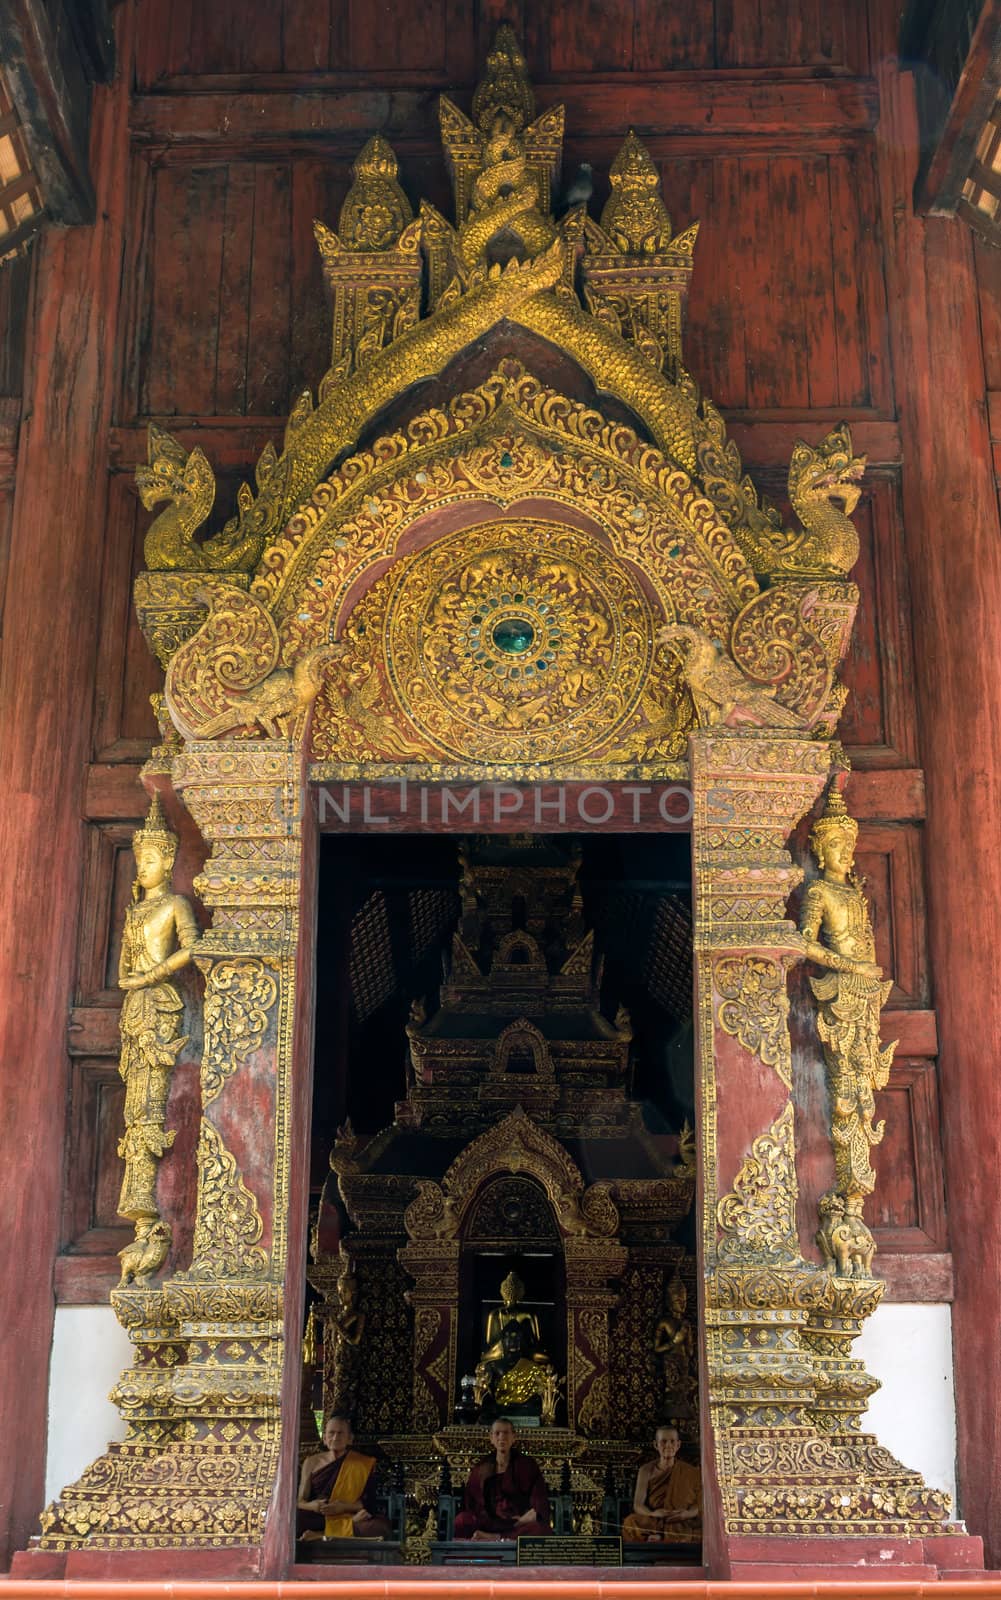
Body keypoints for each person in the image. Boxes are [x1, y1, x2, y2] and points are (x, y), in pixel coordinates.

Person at [453, 1417, 551, 1540]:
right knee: (462, 1520)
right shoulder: (481, 1468)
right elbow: (471, 1503)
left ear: (514, 1437)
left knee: (541, 1530)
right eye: (497, 1433)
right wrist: (487, 1519)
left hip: (517, 1523)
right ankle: (496, 1536)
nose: (502, 1437)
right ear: (491, 1438)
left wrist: (521, 1520)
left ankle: (494, 1538)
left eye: (506, 1433)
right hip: (489, 1522)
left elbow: (539, 1503)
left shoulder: (527, 1465)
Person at [296, 1414, 391, 1540]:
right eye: (331, 1433)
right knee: (293, 1520)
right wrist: (313, 1506)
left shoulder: (362, 1463)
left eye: (340, 1433)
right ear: (324, 1438)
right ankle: (345, 1528)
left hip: (349, 1513)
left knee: (379, 1527)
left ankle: (320, 1535)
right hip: (320, 1516)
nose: (335, 1437)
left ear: (350, 1438)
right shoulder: (311, 1462)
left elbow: (368, 1503)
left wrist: (343, 1507)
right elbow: (300, 1501)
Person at [622, 1425, 701, 1543]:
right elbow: (638, 1505)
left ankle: (659, 1537)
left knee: (704, 1528)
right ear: (656, 1445)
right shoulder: (646, 1470)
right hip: (654, 1520)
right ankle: (666, 1536)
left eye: (672, 1441)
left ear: (678, 1445)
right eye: (663, 1441)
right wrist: (653, 1514)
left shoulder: (691, 1472)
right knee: (630, 1523)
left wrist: (687, 1514)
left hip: (680, 1520)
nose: (668, 1446)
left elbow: (700, 1505)